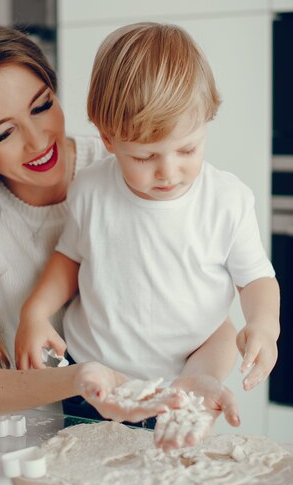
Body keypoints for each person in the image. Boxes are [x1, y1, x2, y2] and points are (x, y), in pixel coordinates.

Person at [0, 21, 187, 427]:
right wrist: (78, 379)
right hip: (41, 449)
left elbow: (199, 298)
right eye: (3, 133)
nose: (38, 141)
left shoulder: (129, 165)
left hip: (161, 429)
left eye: (42, 106)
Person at [16, 22, 280, 444]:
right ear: (108, 139)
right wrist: (35, 312)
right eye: (145, 156)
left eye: (188, 149)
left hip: (183, 386)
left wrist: (264, 323)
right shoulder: (90, 188)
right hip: (95, 383)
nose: (169, 171)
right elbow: (69, 259)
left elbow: (256, 278)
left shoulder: (227, 200)